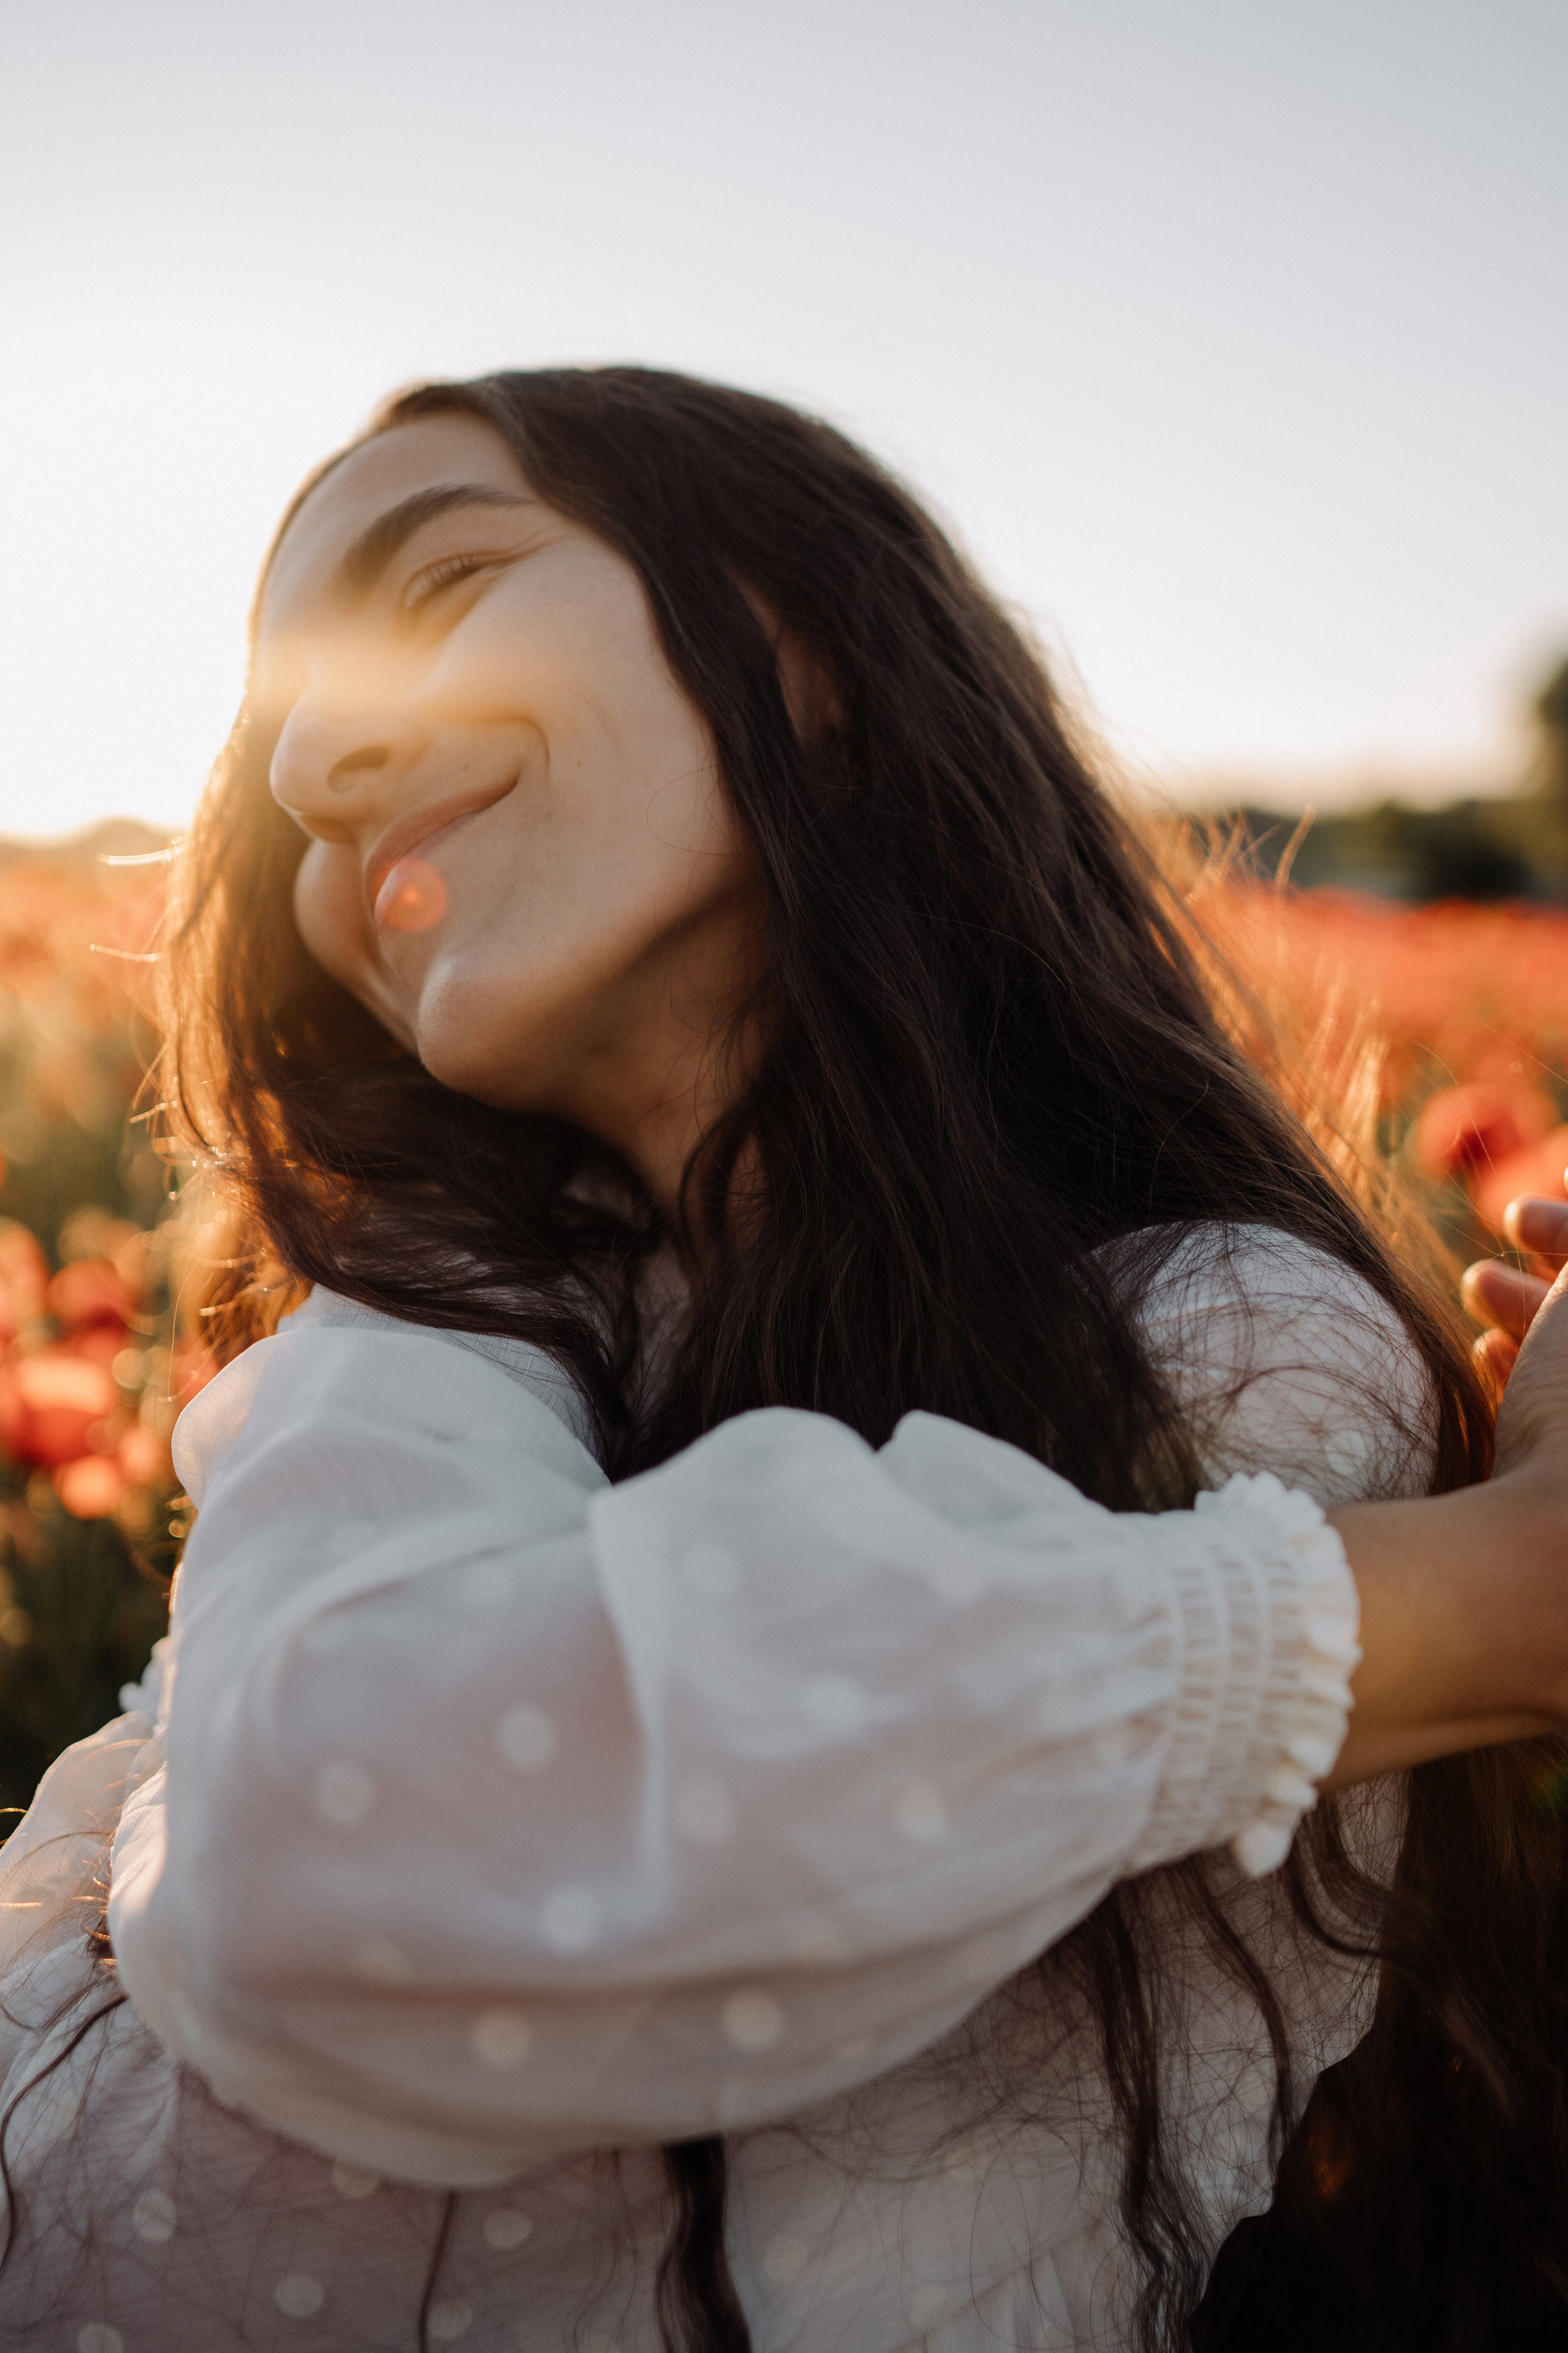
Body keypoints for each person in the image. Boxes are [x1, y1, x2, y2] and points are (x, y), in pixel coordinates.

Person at [2, 367, 1567, 2353]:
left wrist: (1476, 1600)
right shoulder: (444, 1320)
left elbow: (329, 1860)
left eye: (448, 574)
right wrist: (1510, 1595)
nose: (311, 759)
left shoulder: (1212, 1347)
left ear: (808, 647)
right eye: (276, 719)